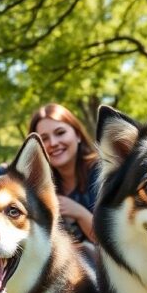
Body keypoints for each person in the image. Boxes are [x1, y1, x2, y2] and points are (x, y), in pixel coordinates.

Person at [29, 103, 100, 243]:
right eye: (44, 139)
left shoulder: (102, 174)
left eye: (60, 133)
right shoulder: (38, 186)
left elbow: (111, 242)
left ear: (78, 135)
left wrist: (78, 212)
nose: (53, 143)